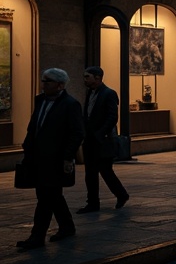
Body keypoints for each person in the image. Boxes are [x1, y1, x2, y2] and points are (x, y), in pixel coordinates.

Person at [17, 68, 84, 249]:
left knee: (46, 198)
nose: (43, 84)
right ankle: (67, 226)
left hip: (56, 159)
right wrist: (27, 148)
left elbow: (76, 133)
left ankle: (37, 237)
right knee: (51, 195)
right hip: (38, 157)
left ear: (60, 85)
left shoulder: (70, 104)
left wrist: (67, 157)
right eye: (43, 80)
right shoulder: (40, 101)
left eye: (48, 81)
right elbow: (34, 127)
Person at [77, 66, 129, 213]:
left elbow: (112, 116)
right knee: (90, 173)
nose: (85, 79)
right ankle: (93, 203)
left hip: (103, 140)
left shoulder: (109, 93)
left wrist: (100, 134)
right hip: (89, 139)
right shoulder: (89, 93)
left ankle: (121, 194)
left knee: (105, 170)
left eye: (87, 77)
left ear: (97, 77)